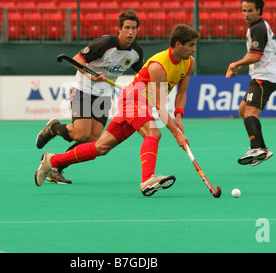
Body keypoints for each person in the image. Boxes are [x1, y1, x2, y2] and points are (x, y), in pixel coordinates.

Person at [35, 24, 199, 197]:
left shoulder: (189, 63)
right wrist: (177, 134)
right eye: (191, 45)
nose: (194, 49)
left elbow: (181, 93)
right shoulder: (158, 66)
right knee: (153, 133)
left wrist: (179, 116)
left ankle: (51, 160)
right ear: (178, 44)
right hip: (133, 99)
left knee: (101, 147)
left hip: (143, 104)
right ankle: (148, 179)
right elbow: (160, 107)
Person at [35, 10, 144, 184]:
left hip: (104, 95)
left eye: (134, 28)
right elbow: (78, 58)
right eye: (127, 28)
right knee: (81, 133)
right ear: (119, 29)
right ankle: (53, 128)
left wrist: (138, 89)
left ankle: (56, 166)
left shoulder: (136, 52)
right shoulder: (105, 43)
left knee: (93, 139)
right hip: (84, 89)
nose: (130, 32)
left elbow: (140, 74)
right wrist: (91, 75)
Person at [226, 0, 276, 167]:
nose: (246, 14)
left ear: (259, 10)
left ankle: (256, 148)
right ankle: (263, 149)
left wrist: (235, 63)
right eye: (243, 10)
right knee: (243, 110)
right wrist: (240, 66)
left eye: (250, 10)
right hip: (263, 75)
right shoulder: (256, 26)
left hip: (264, 76)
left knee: (250, 113)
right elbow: (252, 54)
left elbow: (256, 57)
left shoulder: (258, 28)